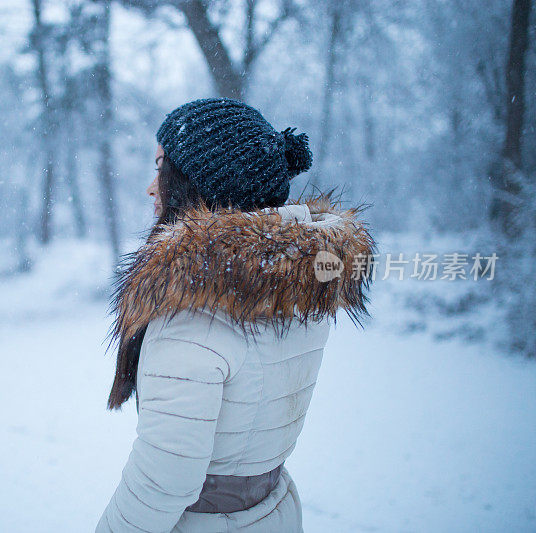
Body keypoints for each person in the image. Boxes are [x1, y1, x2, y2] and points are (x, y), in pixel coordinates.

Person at [96, 98, 377, 532]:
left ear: (200, 184)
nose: (151, 187)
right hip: (273, 513)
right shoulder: (294, 287)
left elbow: (164, 477)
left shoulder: (195, 311)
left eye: (161, 169)